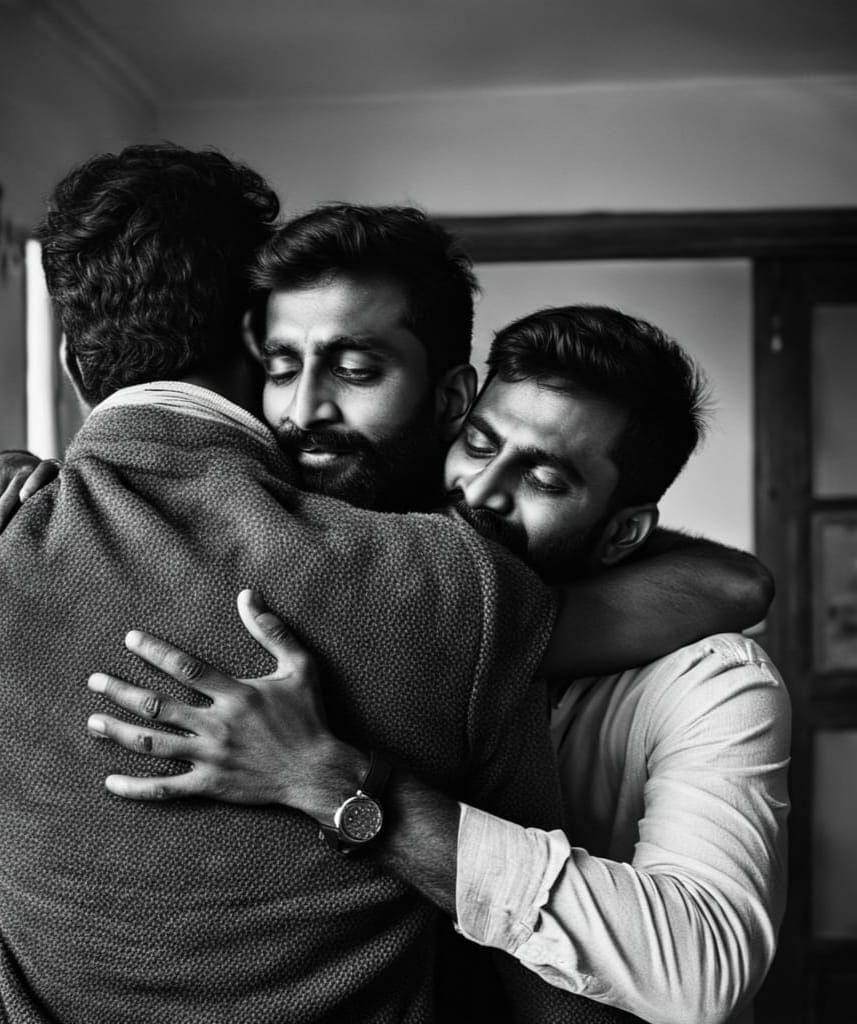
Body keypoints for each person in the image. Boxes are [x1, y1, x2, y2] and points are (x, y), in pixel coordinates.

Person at [0, 145, 645, 1023]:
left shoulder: (12, 542)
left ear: (76, 368)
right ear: (255, 344)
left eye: (354, 368)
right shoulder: (457, 585)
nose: (307, 409)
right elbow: (541, 955)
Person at [84, 307, 790, 1024]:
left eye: (543, 480)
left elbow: (703, 968)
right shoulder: (386, 578)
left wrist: (337, 788)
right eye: (477, 444)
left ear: (625, 534)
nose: (481, 491)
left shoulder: (714, 681)